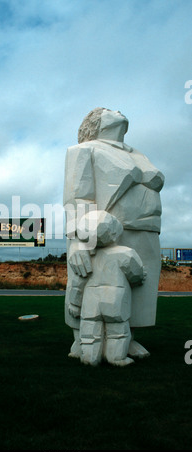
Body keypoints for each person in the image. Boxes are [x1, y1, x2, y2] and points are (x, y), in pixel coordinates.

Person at [64, 108, 164, 361]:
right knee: (91, 282)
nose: (117, 111)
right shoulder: (84, 150)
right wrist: (79, 239)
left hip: (146, 227)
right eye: (107, 110)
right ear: (93, 122)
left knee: (136, 285)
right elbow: (78, 196)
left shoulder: (138, 153)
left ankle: (125, 337)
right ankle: (82, 338)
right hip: (107, 229)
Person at [78, 211, 146, 367]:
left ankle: (90, 357)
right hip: (115, 296)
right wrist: (140, 277)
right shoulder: (125, 253)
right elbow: (136, 275)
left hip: (91, 297)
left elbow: (80, 279)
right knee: (118, 330)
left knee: (89, 328)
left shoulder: (88, 256)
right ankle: (116, 358)